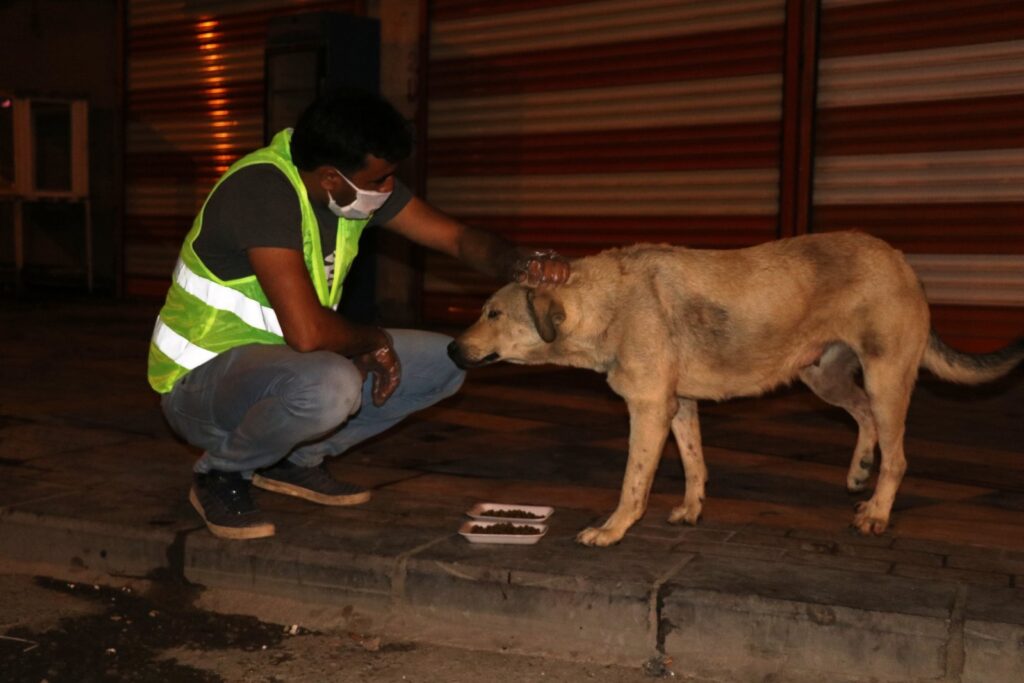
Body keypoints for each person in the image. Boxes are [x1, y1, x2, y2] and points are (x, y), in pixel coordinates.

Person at [147, 87, 569, 540]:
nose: (387, 190)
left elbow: (456, 238)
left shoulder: (349, 185)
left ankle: (293, 460)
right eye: (379, 180)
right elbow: (308, 333)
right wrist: (374, 342)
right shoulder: (262, 193)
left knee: (444, 361)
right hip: (201, 387)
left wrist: (520, 263)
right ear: (331, 178)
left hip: (284, 367)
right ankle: (222, 473)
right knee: (330, 383)